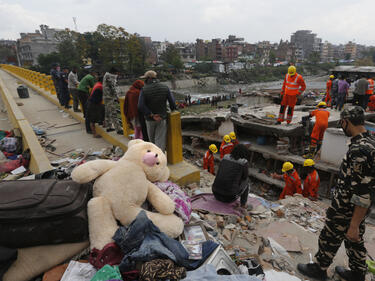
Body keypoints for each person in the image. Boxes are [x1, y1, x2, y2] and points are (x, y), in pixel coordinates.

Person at [298, 106, 375, 281]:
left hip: (346, 208)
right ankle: (357, 273)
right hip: (354, 209)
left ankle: (319, 269)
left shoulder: (360, 150)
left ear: (346, 121)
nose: (342, 127)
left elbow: (363, 192)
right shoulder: (368, 141)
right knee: (353, 240)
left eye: (342, 123)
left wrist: (354, 224)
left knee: (330, 236)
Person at [138, 70, 176, 152]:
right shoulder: (165, 87)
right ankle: (160, 159)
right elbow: (172, 103)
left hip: (150, 119)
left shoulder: (144, 89)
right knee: (160, 141)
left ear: (148, 79)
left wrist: (151, 115)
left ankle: (153, 158)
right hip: (162, 118)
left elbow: (140, 105)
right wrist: (172, 110)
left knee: (152, 141)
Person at [103, 67, 123, 135]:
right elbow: (113, 87)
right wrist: (117, 97)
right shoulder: (110, 76)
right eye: (117, 73)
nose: (117, 75)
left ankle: (108, 127)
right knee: (113, 113)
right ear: (114, 72)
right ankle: (118, 129)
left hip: (106, 96)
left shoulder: (106, 75)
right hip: (109, 97)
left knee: (108, 112)